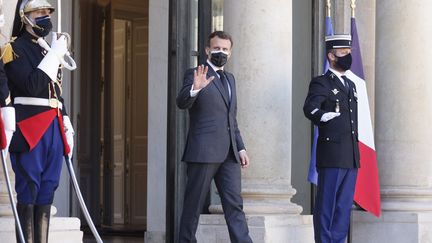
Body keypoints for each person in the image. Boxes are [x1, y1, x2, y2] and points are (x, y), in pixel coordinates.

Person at [3, 1, 74, 242]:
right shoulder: (14, 49)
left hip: (53, 125)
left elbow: (56, 92)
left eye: (47, 12)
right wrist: (54, 54)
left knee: (47, 191)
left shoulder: (47, 49)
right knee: (29, 190)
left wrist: (65, 121)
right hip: (30, 126)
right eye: (39, 12)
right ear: (25, 17)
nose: (45, 17)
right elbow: (32, 85)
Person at [176, 31, 253, 243]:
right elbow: (181, 102)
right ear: (207, 50)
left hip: (229, 154)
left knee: (235, 205)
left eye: (225, 49)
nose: (221, 52)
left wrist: (241, 148)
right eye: (216, 48)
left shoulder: (230, 79)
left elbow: (231, 118)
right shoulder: (196, 73)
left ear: (231, 52)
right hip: (203, 151)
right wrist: (194, 88)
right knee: (193, 206)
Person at [303, 34, 360, 243]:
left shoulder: (351, 85)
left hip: (350, 155)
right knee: (327, 206)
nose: (347, 57)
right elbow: (309, 108)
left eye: (349, 53)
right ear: (331, 55)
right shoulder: (322, 83)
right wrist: (321, 115)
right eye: (343, 53)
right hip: (332, 154)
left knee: (343, 207)